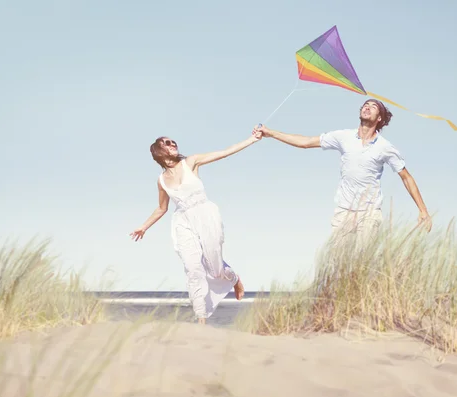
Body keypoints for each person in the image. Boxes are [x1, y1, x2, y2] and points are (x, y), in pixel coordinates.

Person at [253, 99, 432, 243]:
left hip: (369, 214)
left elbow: (406, 177)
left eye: (373, 106)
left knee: (364, 265)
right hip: (344, 212)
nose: (367, 107)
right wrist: (271, 133)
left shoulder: (385, 147)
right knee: (336, 264)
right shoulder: (343, 137)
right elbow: (306, 142)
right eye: (365, 105)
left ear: (380, 119)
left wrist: (423, 210)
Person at [130, 133, 261, 324]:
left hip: (206, 215)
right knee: (193, 269)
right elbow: (161, 208)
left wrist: (252, 139)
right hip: (183, 221)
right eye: (166, 142)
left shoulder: (191, 162)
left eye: (173, 141)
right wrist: (144, 227)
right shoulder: (161, 180)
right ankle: (201, 321)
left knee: (215, 267)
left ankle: (233, 278)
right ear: (158, 151)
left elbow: (224, 153)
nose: (172, 143)